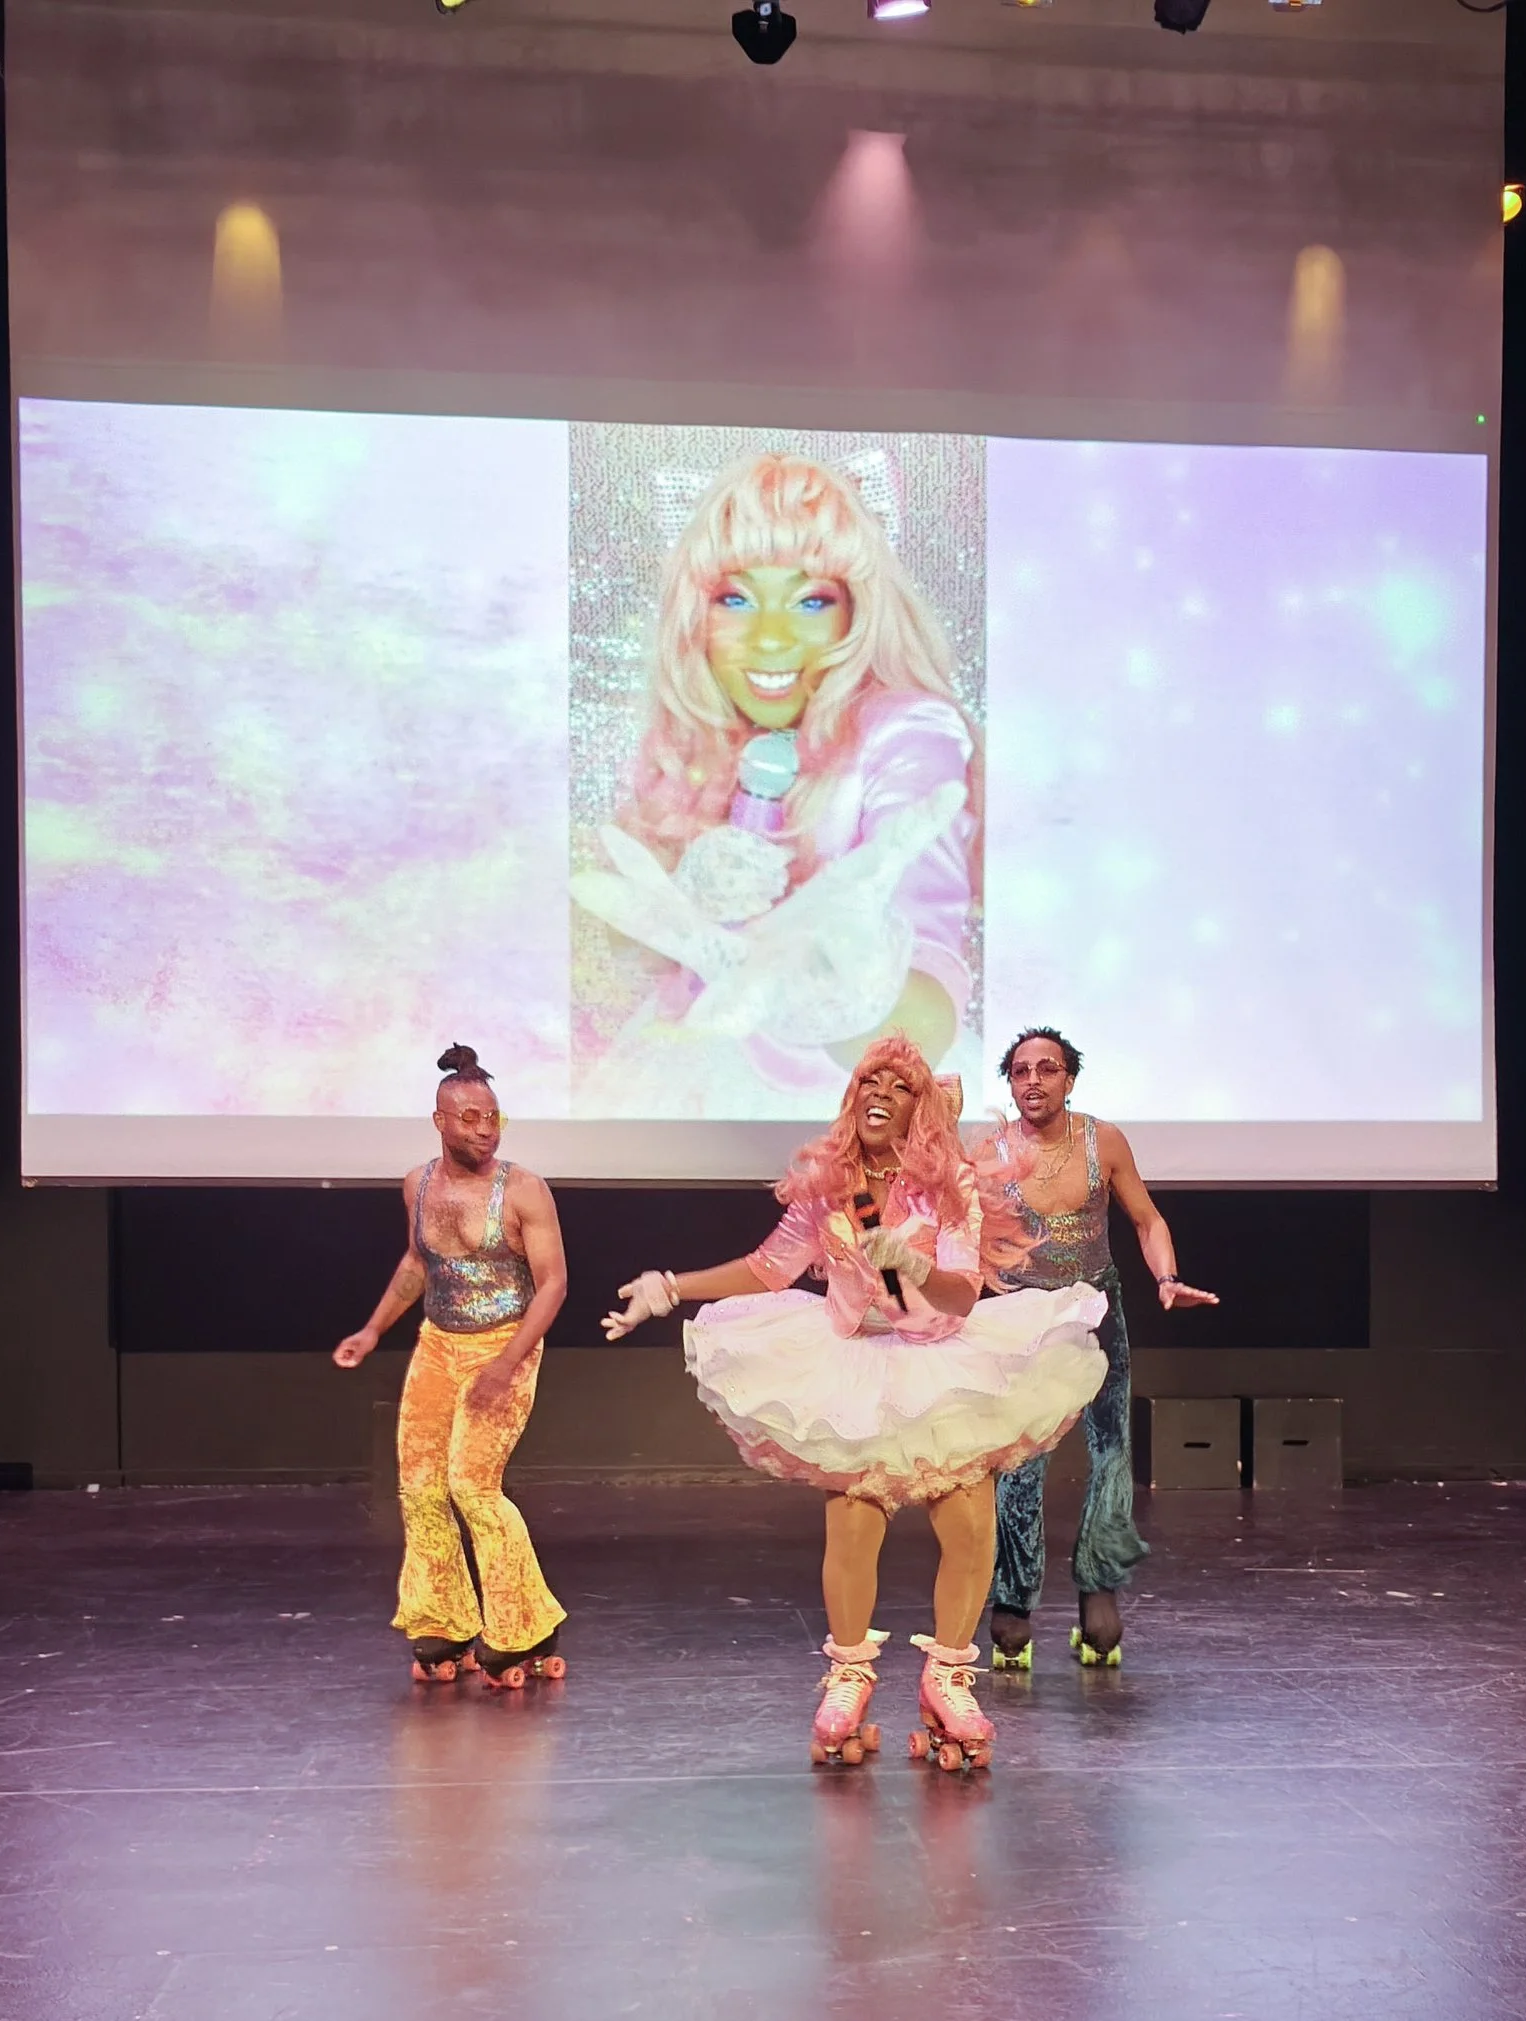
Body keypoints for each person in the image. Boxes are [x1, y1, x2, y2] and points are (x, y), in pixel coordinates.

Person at [601, 1034, 1104, 1772]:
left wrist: (916, 1265)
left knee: (967, 1518)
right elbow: (770, 1267)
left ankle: (949, 1678)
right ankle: (849, 1675)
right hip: (854, 1361)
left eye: (899, 1085)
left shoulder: (949, 1187)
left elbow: (963, 1295)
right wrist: (671, 1287)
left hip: (940, 1360)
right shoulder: (832, 1187)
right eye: (870, 1078)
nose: (880, 1091)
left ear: (917, 1107)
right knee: (853, 1516)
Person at [572, 449, 979, 1111]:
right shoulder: (699, 736)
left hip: (843, 1118)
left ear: (857, 611)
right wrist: (681, 913)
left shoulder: (909, 731)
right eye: (736, 598)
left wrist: (832, 995)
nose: (769, 639)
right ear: (695, 615)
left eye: (811, 599)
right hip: (687, 1093)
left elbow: (929, 996)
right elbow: (641, 952)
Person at [971, 1028, 1217, 1671]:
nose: (1032, 1080)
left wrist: (1165, 1278)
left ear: (1069, 1080)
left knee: (1111, 1448)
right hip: (1024, 1319)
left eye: (1046, 1069)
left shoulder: (1101, 1141)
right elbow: (966, 1240)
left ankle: (1099, 1588)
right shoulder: (990, 1151)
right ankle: (1013, 1601)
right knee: (1021, 1459)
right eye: (1021, 1070)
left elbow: (1147, 1219)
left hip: (1098, 1311)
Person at [334, 1044, 570, 1690]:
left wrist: (507, 1362)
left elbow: (552, 1284)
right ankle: (442, 1617)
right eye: (468, 1117)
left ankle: (524, 1624)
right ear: (439, 1121)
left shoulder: (522, 1190)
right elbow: (419, 1264)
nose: (483, 1128)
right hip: (439, 1342)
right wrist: (373, 1328)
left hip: (506, 1343)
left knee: (473, 1484)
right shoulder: (418, 1184)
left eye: (491, 1116)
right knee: (419, 1485)